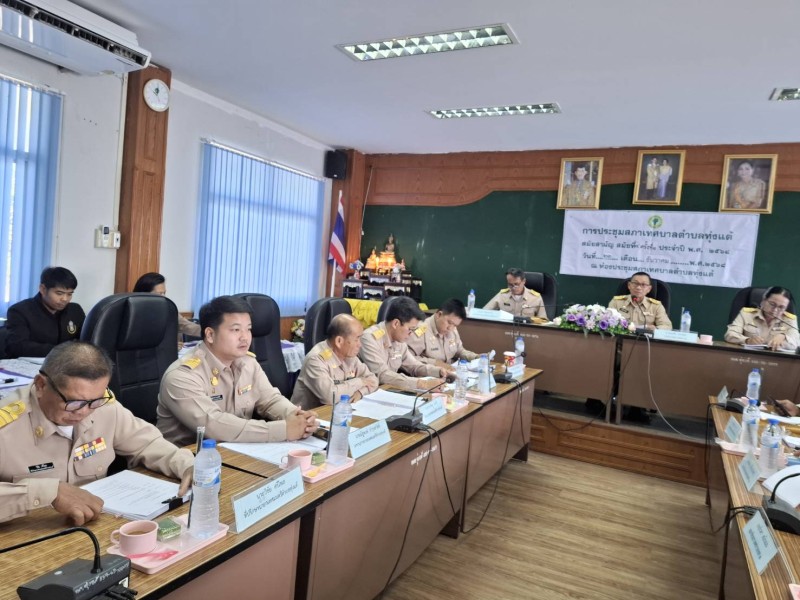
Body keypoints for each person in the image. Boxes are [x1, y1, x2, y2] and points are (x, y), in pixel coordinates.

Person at [0, 341, 194, 524]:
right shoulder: (7, 427)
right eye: (74, 402)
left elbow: (148, 444)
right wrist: (47, 493)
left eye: (94, 401)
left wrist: (187, 466)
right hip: (26, 534)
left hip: (96, 524)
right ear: (41, 385)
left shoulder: (104, 407)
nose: (83, 412)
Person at [157, 295, 318, 446]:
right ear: (210, 335)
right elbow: (214, 425)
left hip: (234, 451)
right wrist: (283, 430)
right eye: (235, 330)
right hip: (189, 458)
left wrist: (295, 415)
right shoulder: (182, 376)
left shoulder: (248, 363)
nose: (245, 337)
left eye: (248, 329)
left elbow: (270, 400)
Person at [292, 314, 379, 410]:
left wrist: (360, 392)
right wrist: (360, 382)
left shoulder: (349, 354)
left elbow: (373, 380)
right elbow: (330, 396)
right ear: (339, 341)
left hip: (339, 410)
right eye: (356, 339)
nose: (360, 345)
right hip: (312, 415)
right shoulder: (316, 359)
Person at [359, 297, 447, 391]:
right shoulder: (369, 338)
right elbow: (382, 375)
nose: (411, 334)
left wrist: (438, 371)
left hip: (389, 389)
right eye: (410, 329)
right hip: (369, 392)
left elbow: (414, 366)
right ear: (396, 323)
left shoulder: (399, 340)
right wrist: (423, 384)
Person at [5, 266, 85, 358]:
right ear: (43, 289)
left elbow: (85, 341)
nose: (65, 299)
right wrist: (62, 351)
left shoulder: (75, 310)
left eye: (69, 294)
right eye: (59, 293)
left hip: (68, 363)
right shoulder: (20, 311)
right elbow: (17, 346)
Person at [406, 299, 481, 369]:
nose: (450, 328)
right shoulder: (421, 330)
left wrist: (475, 357)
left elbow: (459, 351)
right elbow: (408, 358)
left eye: (455, 325)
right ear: (439, 315)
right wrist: (434, 363)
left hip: (450, 372)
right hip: (429, 374)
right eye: (449, 322)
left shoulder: (452, 329)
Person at [725, 287, 798, 351]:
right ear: (764, 300)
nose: (775, 310)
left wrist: (783, 336)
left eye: (781, 307)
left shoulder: (789, 320)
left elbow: (797, 342)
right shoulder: (746, 314)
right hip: (748, 356)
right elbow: (730, 335)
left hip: (776, 358)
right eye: (772, 304)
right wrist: (747, 340)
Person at [133, 272, 202, 338]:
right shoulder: (132, 311)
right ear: (144, 294)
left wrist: (206, 331)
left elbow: (186, 325)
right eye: (159, 293)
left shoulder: (168, 308)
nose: (164, 297)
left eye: (164, 293)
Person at [483, 268, 548, 319]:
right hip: (505, 329)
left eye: (516, 284)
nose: (513, 287)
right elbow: (484, 312)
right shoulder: (502, 295)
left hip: (527, 330)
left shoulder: (535, 298)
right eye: (510, 284)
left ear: (524, 281)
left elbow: (543, 321)